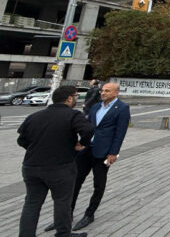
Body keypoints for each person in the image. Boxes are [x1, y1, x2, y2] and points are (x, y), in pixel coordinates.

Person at [18, 85, 93, 237]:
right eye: (76, 96)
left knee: (32, 203)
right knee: (62, 201)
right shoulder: (73, 115)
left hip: (31, 167)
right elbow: (88, 130)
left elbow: (21, 140)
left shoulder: (34, 116)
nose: (77, 99)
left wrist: (38, 149)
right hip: (60, 167)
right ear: (69, 98)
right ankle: (63, 234)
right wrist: (81, 144)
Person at [70, 82, 131, 231]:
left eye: (107, 91)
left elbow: (120, 132)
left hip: (103, 152)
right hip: (86, 150)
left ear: (116, 93)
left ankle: (89, 214)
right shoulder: (96, 106)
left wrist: (113, 153)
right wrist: (81, 143)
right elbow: (88, 126)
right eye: (102, 90)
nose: (103, 93)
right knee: (75, 182)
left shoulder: (122, 108)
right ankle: (67, 213)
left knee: (98, 184)